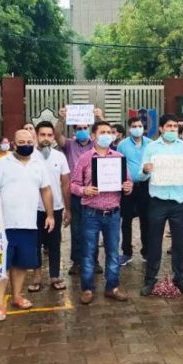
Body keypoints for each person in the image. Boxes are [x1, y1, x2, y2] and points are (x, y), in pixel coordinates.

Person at [0, 129, 54, 320]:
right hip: (4, 225)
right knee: (2, 266)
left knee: (22, 264)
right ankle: (0, 304)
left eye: (29, 141)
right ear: (14, 144)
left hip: (28, 223)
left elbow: (46, 190)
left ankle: (17, 296)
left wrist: (50, 215)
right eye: (21, 142)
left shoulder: (38, 164)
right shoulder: (2, 164)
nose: (26, 144)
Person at [139, 114, 183, 297]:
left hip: (179, 200)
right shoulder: (151, 148)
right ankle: (150, 280)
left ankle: (180, 279)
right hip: (157, 200)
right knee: (154, 242)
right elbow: (141, 174)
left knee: (179, 243)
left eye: (175, 126)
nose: (172, 130)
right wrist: (145, 170)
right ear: (161, 129)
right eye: (169, 126)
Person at [70, 121, 133, 304]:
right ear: (94, 136)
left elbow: (128, 183)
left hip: (113, 213)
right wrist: (84, 191)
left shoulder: (119, 157)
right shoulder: (85, 158)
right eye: (102, 132)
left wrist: (128, 187)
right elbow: (74, 184)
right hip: (91, 213)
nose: (107, 135)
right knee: (88, 252)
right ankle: (87, 289)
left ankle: (112, 287)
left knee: (113, 253)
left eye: (109, 132)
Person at [55, 106, 104, 276]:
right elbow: (57, 136)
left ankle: (94, 260)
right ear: (74, 131)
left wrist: (99, 117)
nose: (82, 131)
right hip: (75, 192)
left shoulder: (95, 144)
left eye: (85, 128)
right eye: (79, 128)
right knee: (76, 230)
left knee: (93, 228)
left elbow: (105, 134)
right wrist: (61, 119)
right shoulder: (68, 145)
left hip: (93, 191)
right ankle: (76, 262)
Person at [33, 121, 71, 291]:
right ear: (36, 136)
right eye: (43, 135)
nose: (46, 138)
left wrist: (68, 208)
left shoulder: (60, 156)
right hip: (33, 209)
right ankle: (36, 276)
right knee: (35, 243)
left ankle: (54, 275)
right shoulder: (29, 156)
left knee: (54, 243)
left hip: (55, 208)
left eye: (49, 135)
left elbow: (65, 184)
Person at [117, 117, 152, 265]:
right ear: (129, 128)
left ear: (143, 128)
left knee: (146, 220)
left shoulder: (151, 144)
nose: (137, 128)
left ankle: (147, 252)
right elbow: (118, 165)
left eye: (139, 126)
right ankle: (126, 252)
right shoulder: (122, 145)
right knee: (126, 220)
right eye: (134, 126)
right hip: (128, 187)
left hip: (146, 186)